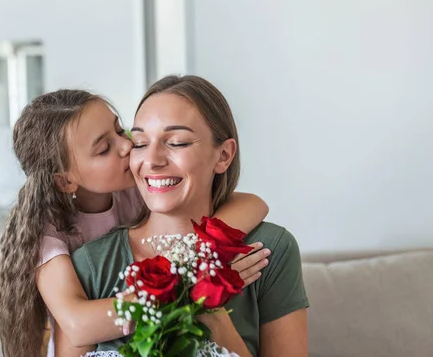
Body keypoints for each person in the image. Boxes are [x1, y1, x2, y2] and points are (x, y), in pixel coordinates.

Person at [0, 89, 272, 357]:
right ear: (66, 180)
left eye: (121, 130)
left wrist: (202, 253)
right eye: (105, 148)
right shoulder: (48, 231)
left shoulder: (136, 190)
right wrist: (188, 287)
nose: (128, 146)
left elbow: (253, 204)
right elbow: (78, 326)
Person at [61, 76, 309, 357]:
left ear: (223, 155)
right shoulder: (91, 262)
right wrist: (189, 288)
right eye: (140, 142)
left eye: (177, 143)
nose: (152, 160)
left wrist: (209, 310)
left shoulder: (270, 249)